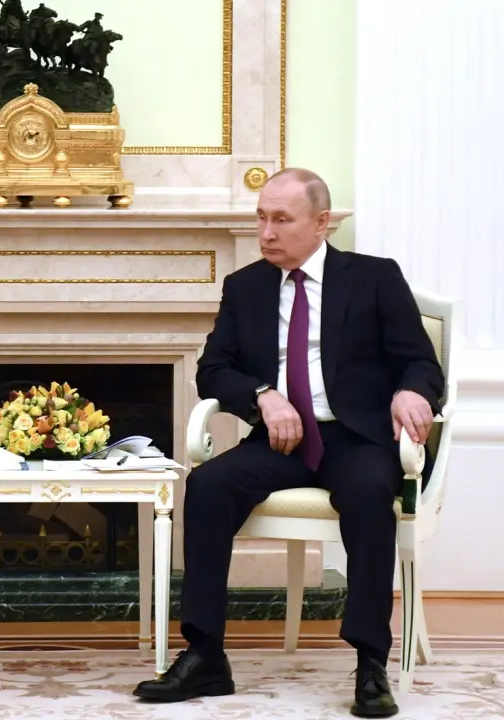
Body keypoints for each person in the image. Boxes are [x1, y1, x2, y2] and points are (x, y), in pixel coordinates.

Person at [133, 168, 443, 718]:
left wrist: (410, 392)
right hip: (281, 440)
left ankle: (370, 661)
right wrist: (263, 395)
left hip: (357, 439)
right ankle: (205, 655)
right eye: (261, 218)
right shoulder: (246, 286)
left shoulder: (374, 278)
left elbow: (420, 361)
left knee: (370, 493)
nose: (266, 233)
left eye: (281, 219)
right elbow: (213, 370)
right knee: (207, 486)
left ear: (321, 223)